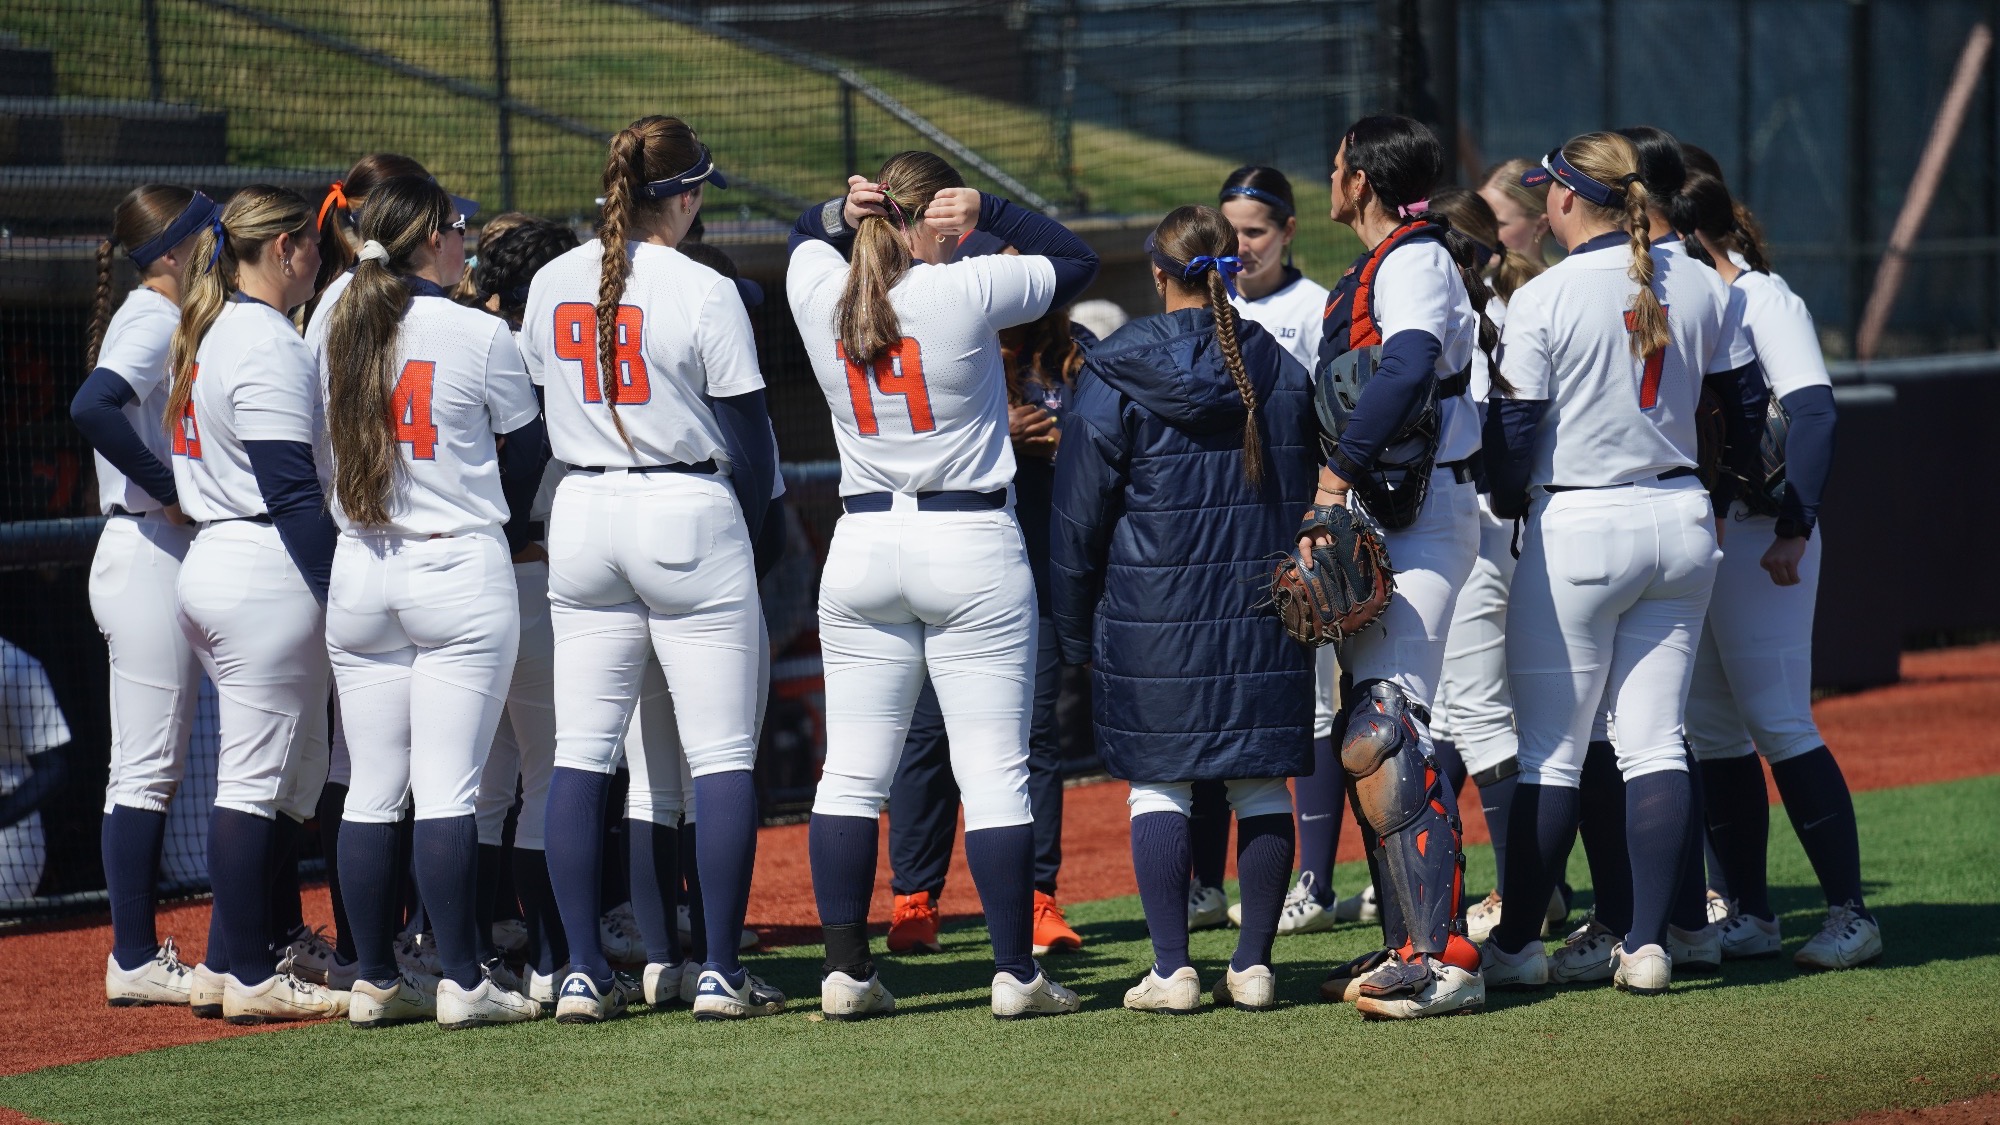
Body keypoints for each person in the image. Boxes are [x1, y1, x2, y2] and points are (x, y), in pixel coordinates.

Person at [787, 149, 1097, 1020]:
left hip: (864, 539)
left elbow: (797, 236)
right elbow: (1073, 260)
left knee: (848, 773)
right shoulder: (961, 288)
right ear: (933, 216)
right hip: (968, 537)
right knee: (996, 769)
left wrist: (832, 212)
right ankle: (1015, 976)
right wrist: (993, 206)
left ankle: (846, 975)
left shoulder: (823, 290)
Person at [1476, 132, 1753, 997]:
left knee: (1554, 752)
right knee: (1654, 737)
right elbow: (1746, 414)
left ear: (1563, 200)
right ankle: (1651, 941)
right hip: (1679, 516)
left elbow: (1511, 442)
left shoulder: (1547, 295)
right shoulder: (1704, 281)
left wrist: (1506, 500)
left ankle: (1519, 942)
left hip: (1582, 521)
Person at [519, 116, 781, 1023]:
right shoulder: (702, 286)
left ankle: (582, 970)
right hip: (684, 508)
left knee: (582, 756)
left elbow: (528, 410)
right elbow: (749, 441)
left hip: (583, 510)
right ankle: (716, 969)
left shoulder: (554, 276)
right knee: (719, 756)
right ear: (686, 194)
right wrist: (745, 535)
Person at [1051, 204, 1315, 1013]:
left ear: (1157, 272)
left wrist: (1068, 625)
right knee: (1261, 785)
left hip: (1151, 612)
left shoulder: (1115, 369)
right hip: (1261, 607)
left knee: (1158, 789)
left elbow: (1077, 515)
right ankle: (1255, 963)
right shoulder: (1277, 363)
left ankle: (1173, 969)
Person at [319, 176, 547, 1030]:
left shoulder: (332, 318)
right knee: (449, 786)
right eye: (459, 229)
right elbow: (526, 455)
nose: (469, 244)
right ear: (428, 241)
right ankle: (463, 978)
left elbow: (316, 452)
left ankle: (375, 976)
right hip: (455, 563)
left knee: (375, 784)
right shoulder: (479, 330)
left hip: (361, 565)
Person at [1307, 115, 1494, 1021]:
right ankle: (1408, 939)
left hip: (1424, 512)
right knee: (1368, 725)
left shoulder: (1415, 257)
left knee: (1391, 727)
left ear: (1365, 181)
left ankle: (1446, 957)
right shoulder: (1372, 268)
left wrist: (1337, 473)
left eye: (1339, 165)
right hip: (1394, 511)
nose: (1329, 177)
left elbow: (1413, 360)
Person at [1676, 161, 1879, 971]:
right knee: (1715, 732)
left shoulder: (1764, 297)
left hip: (1767, 536)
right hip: (1716, 534)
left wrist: (1797, 523)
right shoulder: (1694, 303)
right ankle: (1753, 913)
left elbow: (1816, 413)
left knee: (1780, 720)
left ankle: (1851, 913)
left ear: (1694, 232)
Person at [164, 184, 345, 1023]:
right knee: (253, 778)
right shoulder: (265, 339)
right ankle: (245, 974)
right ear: (281, 250)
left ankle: (218, 961)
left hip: (220, 557)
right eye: (310, 244)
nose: (319, 255)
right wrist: (343, 592)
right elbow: (292, 492)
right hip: (261, 564)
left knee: (273, 777)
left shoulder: (214, 328)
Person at [882, 297, 1086, 961]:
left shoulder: (1074, 353)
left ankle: (1037, 897)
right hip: (951, 564)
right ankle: (915, 898)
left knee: (1035, 730)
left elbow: (1110, 442)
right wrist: (998, 434)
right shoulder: (944, 338)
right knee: (929, 732)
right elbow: (895, 441)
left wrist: (1060, 437)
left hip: (1041, 567)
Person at [69, 184, 212, 1006]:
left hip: (154, 551)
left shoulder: (157, 311)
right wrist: (165, 487)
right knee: (146, 767)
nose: (216, 244)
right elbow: (92, 405)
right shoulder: (154, 316)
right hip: (146, 547)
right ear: (170, 252)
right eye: (204, 234)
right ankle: (130, 953)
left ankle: (142, 949)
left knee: (151, 764)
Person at [1204, 166, 1348, 937]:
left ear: (1289, 230)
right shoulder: (1212, 306)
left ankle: (1317, 882)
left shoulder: (1313, 304)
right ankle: (1205, 878)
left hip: (1302, 526)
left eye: (1255, 231)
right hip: (1231, 537)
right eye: (1228, 234)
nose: (1240, 248)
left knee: (1321, 703)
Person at [1424, 186, 1567, 945]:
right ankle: (1440, 905)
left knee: (1477, 715)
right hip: (1487, 521)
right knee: (1450, 716)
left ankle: (1524, 909)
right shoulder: (1490, 310)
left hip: (1482, 518)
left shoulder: (1487, 318)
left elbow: (1488, 435)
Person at [459, 216, 577, 1009]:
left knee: (478, 783)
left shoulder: (449, 335)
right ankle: (550, 956)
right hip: (532, 569)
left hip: (458, 573)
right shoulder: (542, 347)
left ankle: (462, 956)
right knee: (546, 774)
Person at [1479, 158, 1556, 269]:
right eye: (1477, 219)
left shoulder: (1557, 285)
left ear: (1540, 226)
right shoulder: (1461, 282)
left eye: (1498, 224)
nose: (1481, 232)